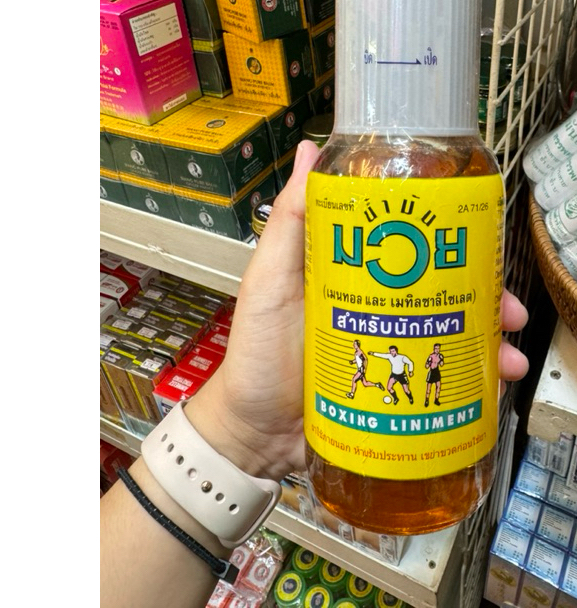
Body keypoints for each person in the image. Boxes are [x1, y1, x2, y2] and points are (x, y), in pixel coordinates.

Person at [100, 140, 531, 608]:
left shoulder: (477, 173)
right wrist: (238, 433)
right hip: (338, 443)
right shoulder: (339, 170)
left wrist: (241, 441)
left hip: (451, 450)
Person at [424, 342, 444, 407]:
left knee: (438, 386)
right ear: (434, 349)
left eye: (438, 348)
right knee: (428, 388)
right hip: (431, 372)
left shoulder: (440, 356)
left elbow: (442, 365)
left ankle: (436, 400)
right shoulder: (431, 356)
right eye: (436, 348)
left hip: (437, 371)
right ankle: (427, 400)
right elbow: (426, 366)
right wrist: (429, 361)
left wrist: (441, 359)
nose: (437, 350)